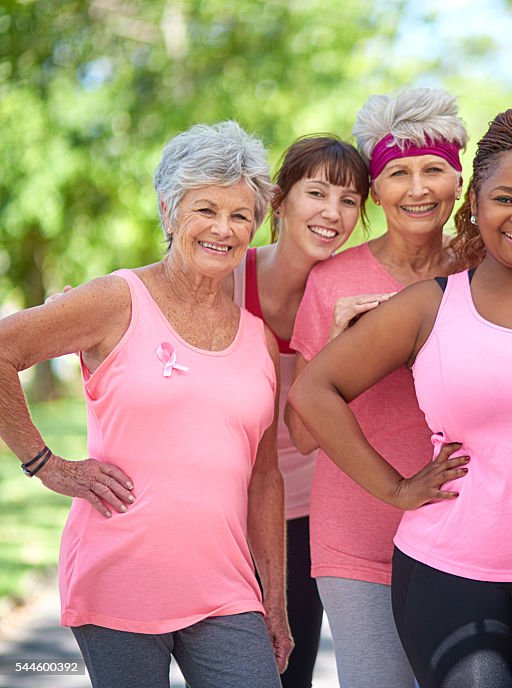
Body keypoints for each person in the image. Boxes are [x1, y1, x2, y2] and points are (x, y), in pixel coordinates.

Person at [289, 108, 512, 688]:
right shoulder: (428, 305)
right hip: (445, 571)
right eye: (504, 198)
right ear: (476, 207)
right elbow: (314, 391)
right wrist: (396, 487)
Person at [0, 121, 291, 687]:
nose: (223, 229)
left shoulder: (260, 339)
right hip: (120, 578)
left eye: (241, 216)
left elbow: (265, 477)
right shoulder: (117, 299)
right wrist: (47, 465)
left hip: (227, 590)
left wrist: (273, 602)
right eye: (205, 209)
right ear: (168, 211)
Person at [284, 87, 465, 688]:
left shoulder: (483, 269)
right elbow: (304, 436)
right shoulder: (334, 279)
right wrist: (339, 345)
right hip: (356, 534)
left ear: (458, 179)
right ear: (376, 190)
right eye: (397, 173)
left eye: (433, 169)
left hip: (462, 527)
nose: (417, 188)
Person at [228, 134, 370, 688]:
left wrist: (334, 342)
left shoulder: (351, 295)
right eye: (316, 193)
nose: (332, 213)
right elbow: (142, 297)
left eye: (350, 200)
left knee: (291, 670)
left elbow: (311, 431)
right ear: (279, 200)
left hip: (306, 516)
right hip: (224, 507)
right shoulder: (226, 275)